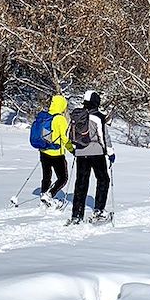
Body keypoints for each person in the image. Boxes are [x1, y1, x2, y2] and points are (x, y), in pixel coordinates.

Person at [67, 90, 115, 225]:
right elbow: (103, 136)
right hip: (97, 153)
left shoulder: (77, 115)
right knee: (103, 179)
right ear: (96, 102)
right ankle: (98, 210)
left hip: (81, 152)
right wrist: (110, 152)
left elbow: (69, 134)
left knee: (81, 183)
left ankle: (76, 215)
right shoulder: (98, 117)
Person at [37, 94, 73, 207]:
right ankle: (49, 194)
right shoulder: (60, 119)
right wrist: (72, 149)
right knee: (63, 178)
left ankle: (44, 194)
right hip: (57, 153)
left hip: (44, 151)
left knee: (46, 176)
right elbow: (64, 138)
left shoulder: (45, 116)